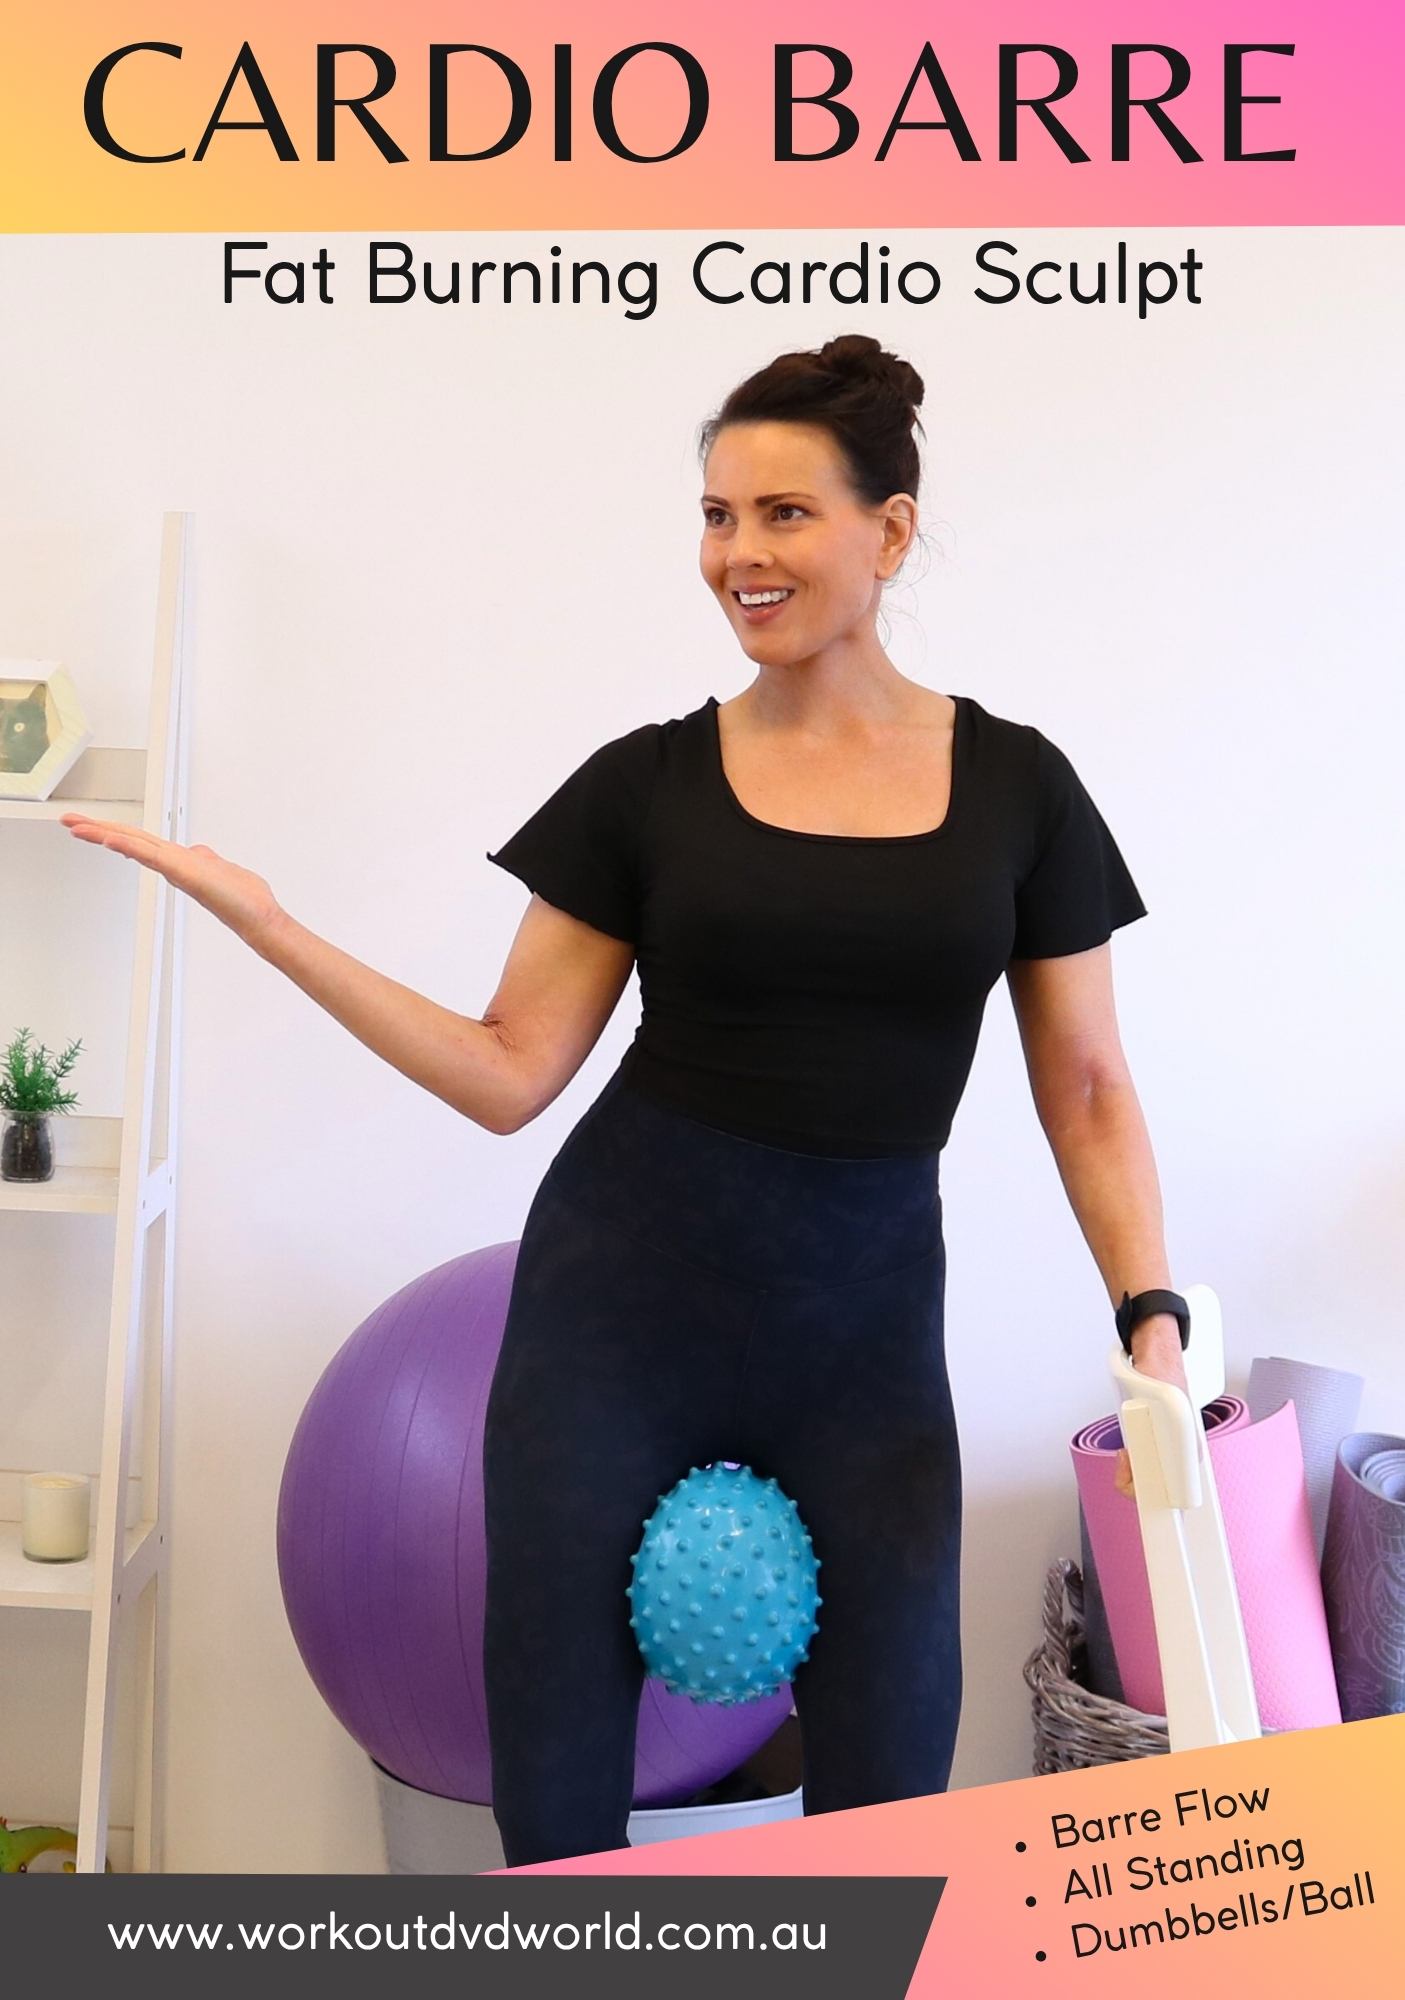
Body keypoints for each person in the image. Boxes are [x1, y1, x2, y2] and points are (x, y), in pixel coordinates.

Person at [64, 334, 1188, 1867]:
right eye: (717, 516)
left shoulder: (1018, 789)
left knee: (888, 1772)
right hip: (616, 1311)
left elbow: (1089, 1085)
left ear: (889, 531)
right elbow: (507, 1070)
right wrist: (268, 921)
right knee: (560, 1785)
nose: (739, 554)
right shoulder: (645, 786)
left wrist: (1148, 1313)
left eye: (783, 513)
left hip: (860, 1334)